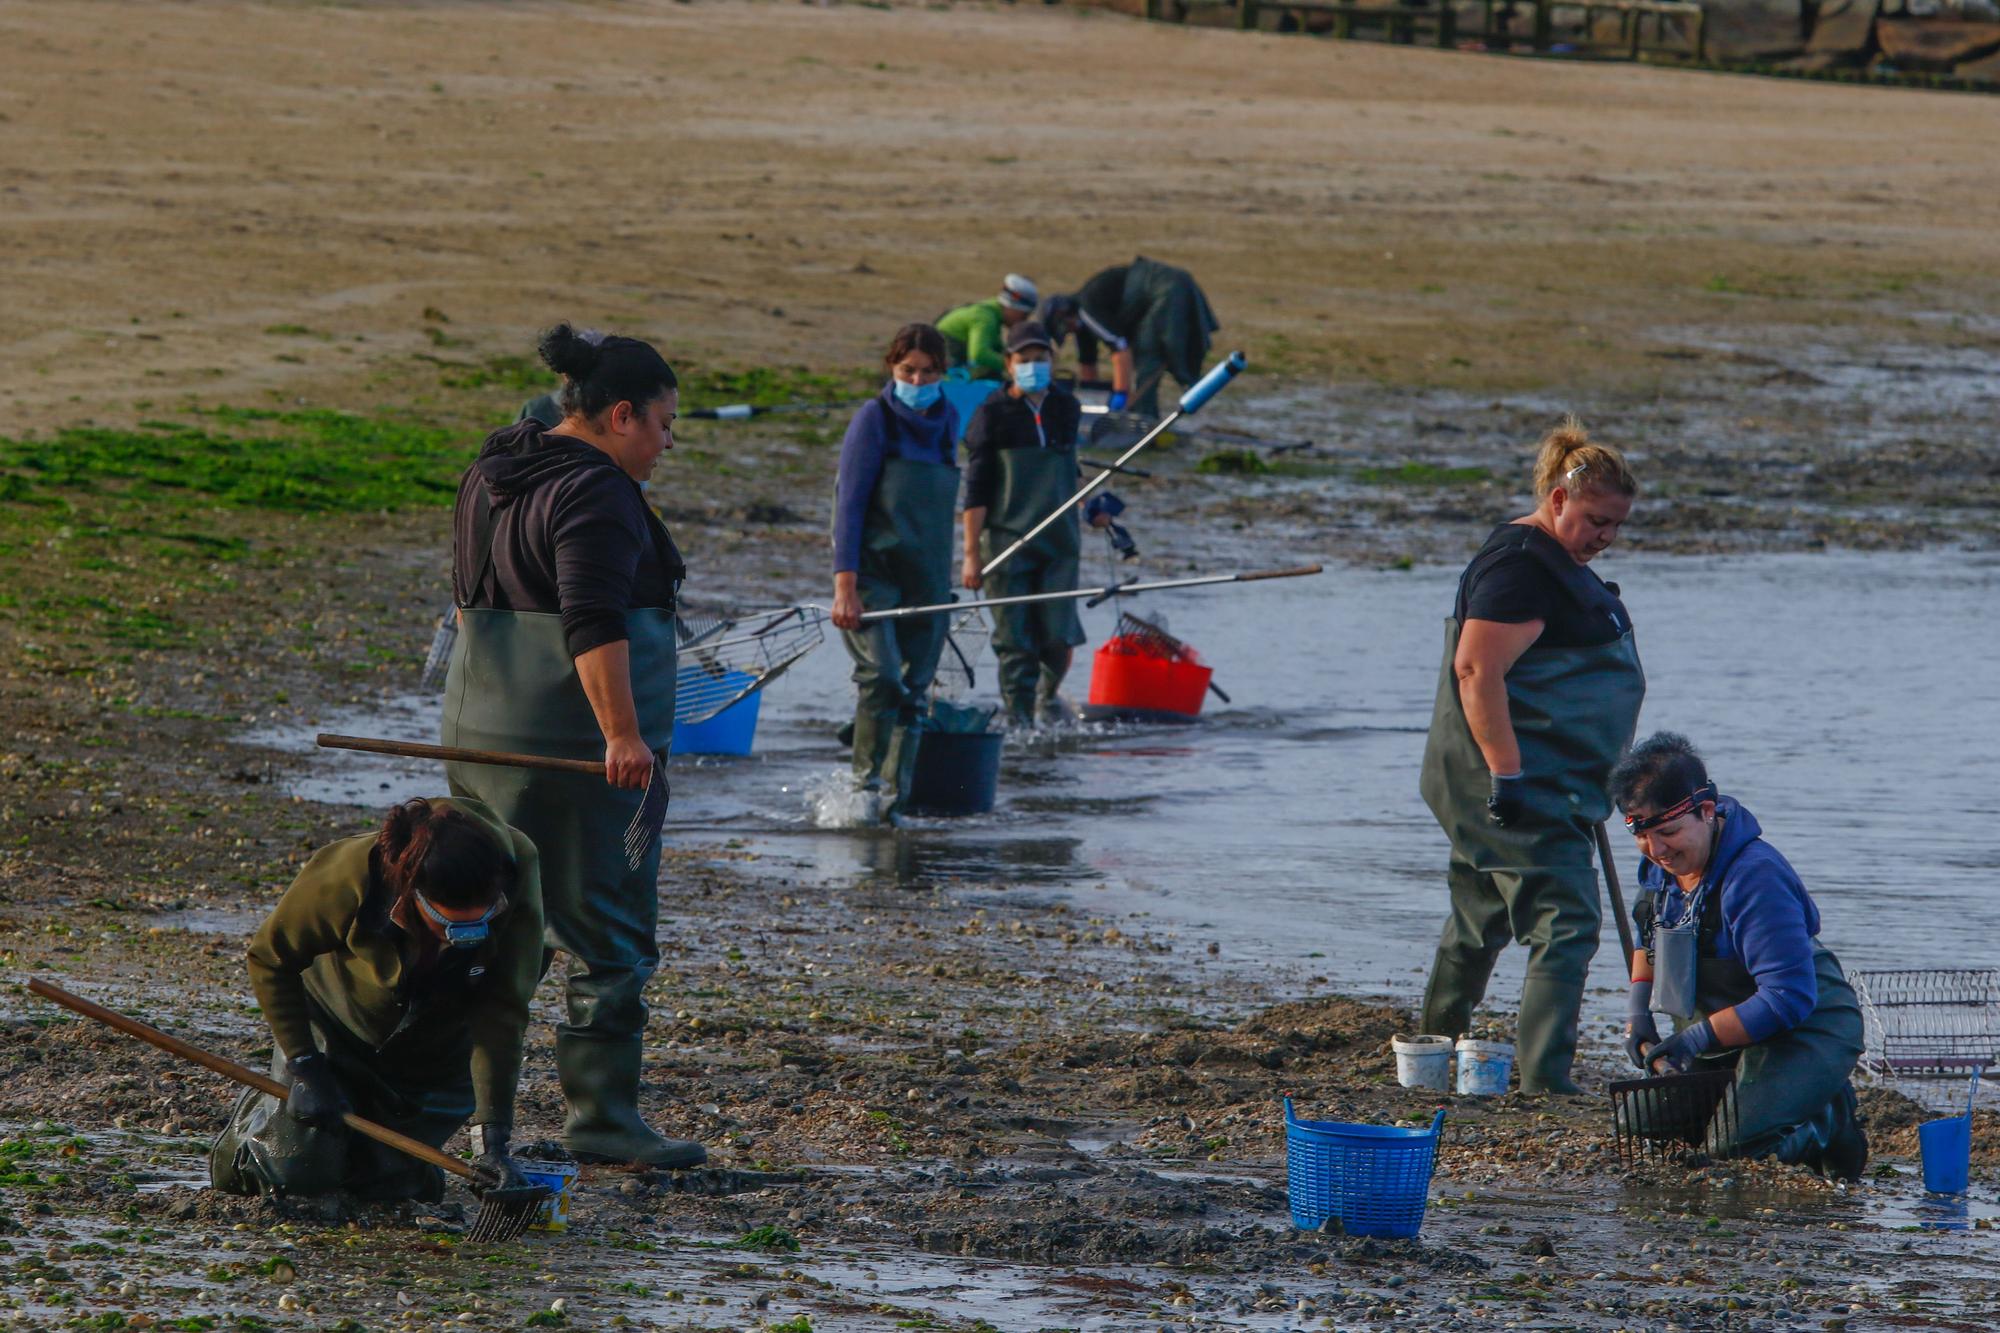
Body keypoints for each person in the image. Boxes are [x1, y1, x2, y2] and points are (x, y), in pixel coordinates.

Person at [441, 323, 705, 1168]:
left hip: (479, 735)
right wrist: (623, 734)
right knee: (610, 934)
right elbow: (592, 619)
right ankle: (604, 1119)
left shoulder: (494, 468)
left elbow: (461, 601)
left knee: (488, 922)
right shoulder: (596, 491)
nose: (666, 445)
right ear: (620, 415)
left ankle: (470, 1116)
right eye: (663, 425)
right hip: (571, 751)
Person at [1417, 419, 1643, 1094]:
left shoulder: (1552, 562)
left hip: (1547, 776)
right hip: (1520, 780)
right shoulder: (1520, 566)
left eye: (1616, 526)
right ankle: (1546, 1079)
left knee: (1480, 912)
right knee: (1567, 920)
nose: (1603, 537)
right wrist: (1508, 774)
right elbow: (1475, 671)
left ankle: (1432, 1050)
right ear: (1555, 499)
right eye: (1594, 520)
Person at [210, 798, 542, 1200]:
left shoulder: (518, 874)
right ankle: (260, 1112)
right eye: (450, 925)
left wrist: (494, 1140)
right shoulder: (348, 874)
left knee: (385, 1188)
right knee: (295, 1173)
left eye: (481, 921)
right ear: (413, 893)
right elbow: (269, 959)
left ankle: (397, 1164)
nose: (465, 938)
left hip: (435, 1040)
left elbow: (503, 1011)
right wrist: (304, 1065)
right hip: (337, 1026)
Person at [1613, 733, 1868, 1178]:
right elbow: (1647, 943)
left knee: (1733, 1151)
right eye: (1644, 837)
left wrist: (1693, 1039)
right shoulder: (1660, 869)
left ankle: (1830, 1117)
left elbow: (1787, 998)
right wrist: (1639, 1015)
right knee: (1640, 1124)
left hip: (1806, 1028)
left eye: (1669, 833)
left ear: (1706, 811)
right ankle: (1761, 1099)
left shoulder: (1754, 878)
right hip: (1728, 1031)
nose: (1657, 851)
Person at [830, 323, 960, 820]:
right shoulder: (873, 419)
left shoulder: (948, 419)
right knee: (882, 678)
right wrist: (846, 585)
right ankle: (861, 789)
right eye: (909, 370)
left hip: (927, 578)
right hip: (873, 576)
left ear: (942, 374)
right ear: (892, 367)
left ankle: (893, 804)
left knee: (914, 694)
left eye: (929, 372)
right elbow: (850, 505)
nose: (918, 380)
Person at [959, 320, 1107, 727]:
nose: (1033, 367)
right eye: (1024, 360)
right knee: (1015, 641)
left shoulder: (1065, 407)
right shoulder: (993, 414)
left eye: (1041, 359)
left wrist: (1092, 508)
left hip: (1060, 542)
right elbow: (976, 491)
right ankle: (1020, 719)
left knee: (1058, 636)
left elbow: (1068, 469)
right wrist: (971, 555)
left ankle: (1048, 697)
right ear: (1008, 364)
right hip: (1007, 543)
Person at [1038, 257, 1218, 417]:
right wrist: (1090, 402)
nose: (1070, 333)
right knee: (1149, 352)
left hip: (1167, 288)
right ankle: (1145, 417)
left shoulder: (1086, 310)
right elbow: (1088, 366)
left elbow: (1121, 349)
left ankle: (1144, 423)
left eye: (1067, 330)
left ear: (1064, 314)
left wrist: (1120, 397)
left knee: (1149, 354)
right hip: (1166, 288)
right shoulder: (1082, 324)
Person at [936, 274, 1039, 381]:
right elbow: (979, 355)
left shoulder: (991, 312)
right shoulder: (985, 318)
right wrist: (1013, 364)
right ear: (1012, 307)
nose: (1023, 320)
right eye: (1024, 315)